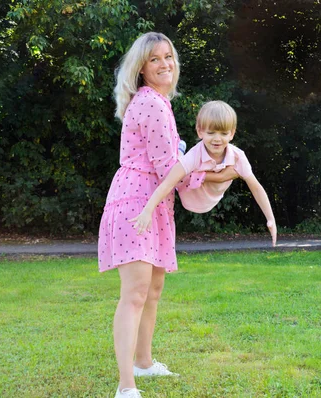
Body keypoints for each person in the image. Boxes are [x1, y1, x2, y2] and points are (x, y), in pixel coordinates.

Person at [97, 33, 238, 398]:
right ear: (142, 68)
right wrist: (215, 174)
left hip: (155, 203)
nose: (165, 64)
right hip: (136, 202)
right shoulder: (151, 104)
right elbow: (167, 167)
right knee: (135, 293)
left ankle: (143, 363)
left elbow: (172, 163)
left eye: (169, 57)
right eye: (155, 59)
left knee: (153, 289)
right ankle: (125, 385)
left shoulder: (160, 102)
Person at [131, 100, 277, 247]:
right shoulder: (195, 155)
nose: (217, 139)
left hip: (211, 197)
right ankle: (178, 152)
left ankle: (180, 152)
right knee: (173, 172)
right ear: (200, 131)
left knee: (184, 169)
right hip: (189, 192)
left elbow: (256, 187)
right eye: (211, 132)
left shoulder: (238, 157)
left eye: (224, 133)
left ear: (232, 134)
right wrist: (147, 211)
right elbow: (167, 184)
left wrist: (270, 218)